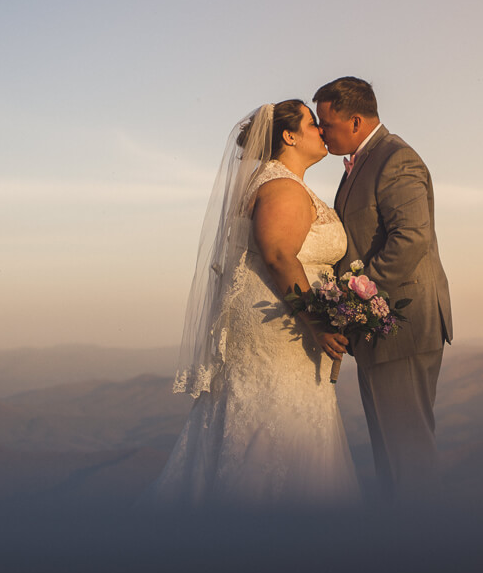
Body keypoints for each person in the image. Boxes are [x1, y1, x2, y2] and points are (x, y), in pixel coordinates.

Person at [142, 100, 360, 508]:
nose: (321, 130)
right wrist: (316, 320)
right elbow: (278, 254)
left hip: (276, 318)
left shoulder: (277, 181)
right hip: (280, 322)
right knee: (276, 419)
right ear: (289, 135)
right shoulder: (282, 187)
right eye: (312, 123)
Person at [314, 77, 452, 503]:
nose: (321, 132)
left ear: (356, 121)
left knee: (408, 456)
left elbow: (410, 240)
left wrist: (353, 300)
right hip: (380, 329)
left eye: (327, 123)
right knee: (392, 457)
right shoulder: (364, 161)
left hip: (403, 325)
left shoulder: (397, 160)